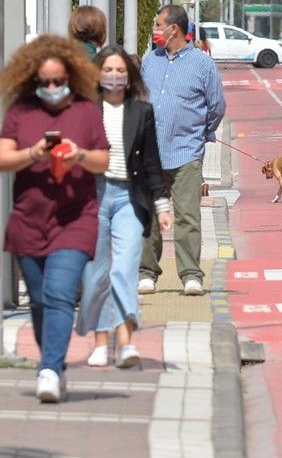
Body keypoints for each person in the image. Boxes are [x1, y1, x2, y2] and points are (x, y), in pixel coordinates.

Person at [0, 34, 110, 403]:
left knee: (60, 294)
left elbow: (103, 161)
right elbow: (1, 159)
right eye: (44, 82)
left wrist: (78, 155)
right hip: (29, 221)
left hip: (75, 219)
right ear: (31, 80)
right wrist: (33, 152)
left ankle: (48, 369)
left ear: (71, 76)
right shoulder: (20, 111)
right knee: (41, 302)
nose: (52, 88)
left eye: (59, 81)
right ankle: (54, 365)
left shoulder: (87, 111)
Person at [75, 46, 173, 368]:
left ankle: (126, 341)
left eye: (121, 71)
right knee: (95, 274)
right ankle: (101, 342)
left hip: (129, 198)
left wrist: (162, 207)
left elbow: (152, 164)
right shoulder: (85, 110)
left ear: (129, 77)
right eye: (108, 70)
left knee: (123, 269)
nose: (114, 76)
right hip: (93, 196)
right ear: (97, 74)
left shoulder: (142, 112)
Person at [138, 4, 226, 296]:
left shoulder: (203, 64)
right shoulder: (151, 61)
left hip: (185, 152)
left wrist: (201, 134)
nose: (155, 29)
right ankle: (147, 272)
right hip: (150, 153)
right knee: (149, 213)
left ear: (173, 28)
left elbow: (216, 107)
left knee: (187, 216)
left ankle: (191, 274)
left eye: (158, 24)